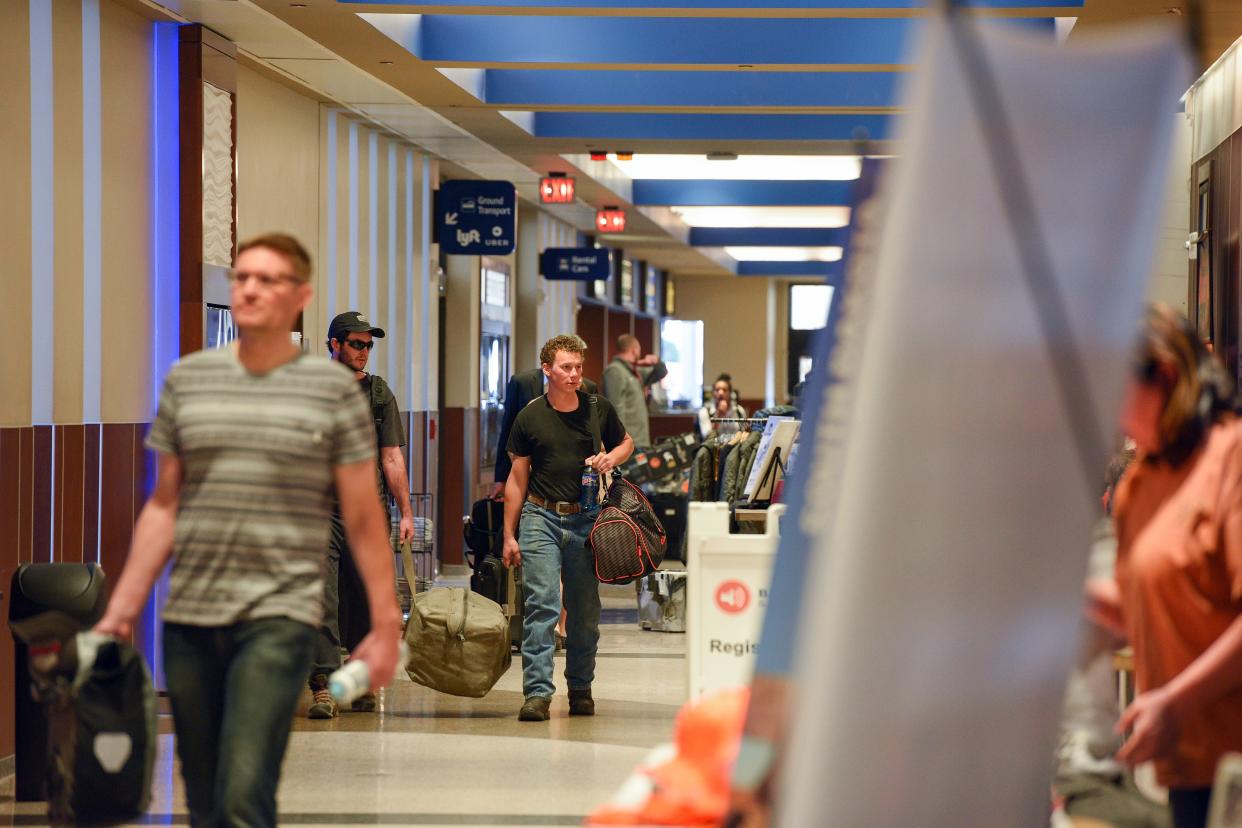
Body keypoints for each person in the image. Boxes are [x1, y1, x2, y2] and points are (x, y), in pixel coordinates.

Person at [93, 233, 401, 827]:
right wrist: (122, 608)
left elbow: (364, 515)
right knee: (204, 791)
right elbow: (164, 504)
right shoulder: (189, 380)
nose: (251, 290)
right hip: (192, 614)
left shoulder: (333, 392)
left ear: (300, 297)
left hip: (277, 612)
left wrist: (386, 625)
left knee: (244, 785)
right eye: (243, 279)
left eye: (270, 280)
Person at [1091, 304, 1242, 828]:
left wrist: (1174, 702)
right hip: (1186, 764)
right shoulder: (1139, 484)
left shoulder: (1231, 457)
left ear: (1168, 377)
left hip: (1234, 761)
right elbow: (1144, 611)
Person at [502, 334, 634, 721]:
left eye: (578, 367)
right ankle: (538, 693)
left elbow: (627, 443)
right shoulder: (530, 416)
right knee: (541, 605)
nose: (575, 375)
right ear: (547, 369)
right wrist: (509, 534)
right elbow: (517, 476)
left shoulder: (597, 409)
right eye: (566, 367)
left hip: (586, 518)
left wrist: (610, 458)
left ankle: (580, 687)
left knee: (584, 611)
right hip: (539, 516)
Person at [305, 310, 415, 719]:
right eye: (357, 343)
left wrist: (405, 511)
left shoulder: (379, 395)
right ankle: (323, 685)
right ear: (334, 344)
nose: (365, 352)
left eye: (369, 345)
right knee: (322, 599)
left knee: (366, 599)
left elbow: (392, 458)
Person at [603, 334, 666, 448]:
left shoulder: (635, 371)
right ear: (634, 350)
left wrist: (656, 361)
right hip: (628, 442)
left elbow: (661, 372)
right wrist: (621, 442)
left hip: (640, 440)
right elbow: (616, 409)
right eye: (639, 349)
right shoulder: (615, 371)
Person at [697, 373, 748, 442]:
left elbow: (744, 433)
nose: (720, 393)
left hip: (735, 448)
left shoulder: (739, 410)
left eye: (724, 390)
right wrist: (718, 415)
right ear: (713, 393)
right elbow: (706, 437)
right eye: (717, 390)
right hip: (714, 450)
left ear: (730, 393)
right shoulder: (705, 411)